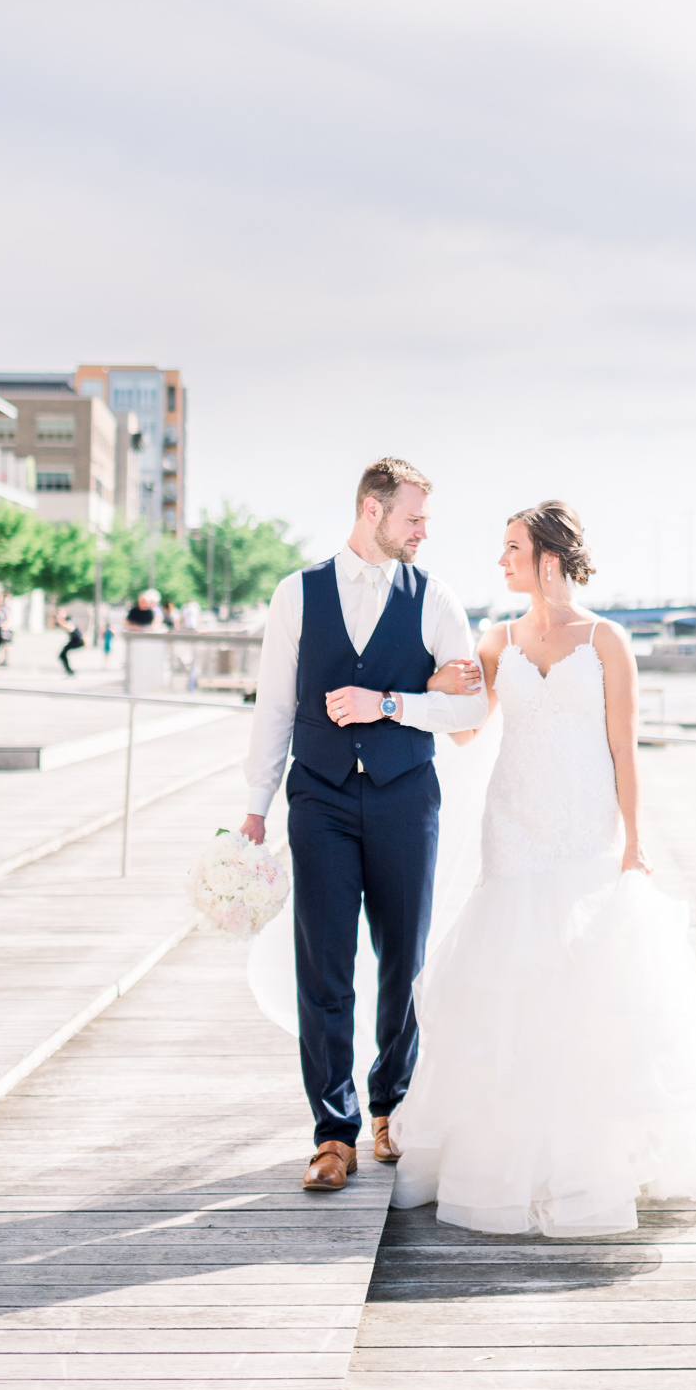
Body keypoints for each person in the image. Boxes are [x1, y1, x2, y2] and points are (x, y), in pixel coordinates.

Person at [385, 501, 696, 1235]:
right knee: (510, 977)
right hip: (515, 827)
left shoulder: (606, 639)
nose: (500, 561)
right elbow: (469, 735)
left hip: (584, 827)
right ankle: (503, 1156)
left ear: (548, 559)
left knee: (586, 981)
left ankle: (588, 1155)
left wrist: (634, 842)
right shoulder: (497, 641)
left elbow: (624, 747)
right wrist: (437, 686)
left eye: (511, 549)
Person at [239, 456, 486, 1193]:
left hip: (406, 798)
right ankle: (331, 1132)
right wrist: (255, 807)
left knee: (403, 962)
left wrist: (390, 703)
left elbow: (471, 708)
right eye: (414, 518)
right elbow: (274, 708)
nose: (423, 533)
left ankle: (392, 1108)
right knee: (322, 968)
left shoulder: (434, 595)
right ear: (372, 511)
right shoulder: (297, 594)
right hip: (317, 800)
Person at [55, 608, 85, 676]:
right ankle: (69, 671)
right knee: (62, 655)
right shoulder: (61, 621)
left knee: (63, 654)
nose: (58, 615)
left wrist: (61, 623)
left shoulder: (69, 618)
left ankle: (69, 671)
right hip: (72, 640)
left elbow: (70, 628)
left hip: (78, 640)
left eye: (60, 613)